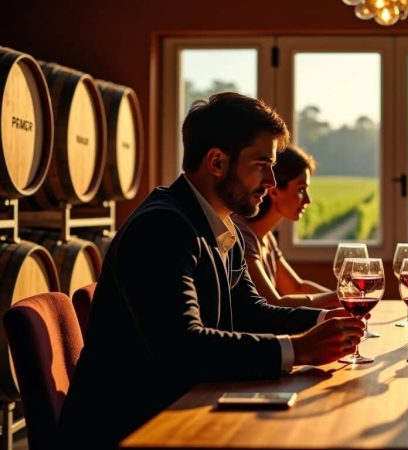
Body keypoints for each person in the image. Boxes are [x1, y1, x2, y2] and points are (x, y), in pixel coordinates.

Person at [58, 93, 365, 449]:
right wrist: (298, 350)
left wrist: (323, 319)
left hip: (178, 409)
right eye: (261, 164)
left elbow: (250, 311)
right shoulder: (161, 227)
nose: (270, 180)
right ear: (217, 161)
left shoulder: (218, 222)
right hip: (130, 428)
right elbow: (182, 349)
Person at [232, 145, 338, 308]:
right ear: (274, 191)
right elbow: (273, 303)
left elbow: (297, 288)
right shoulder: (242, 235)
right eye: (301, 190)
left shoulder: (266, 237)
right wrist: (344, 298)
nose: (308, 200)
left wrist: (343, 302)